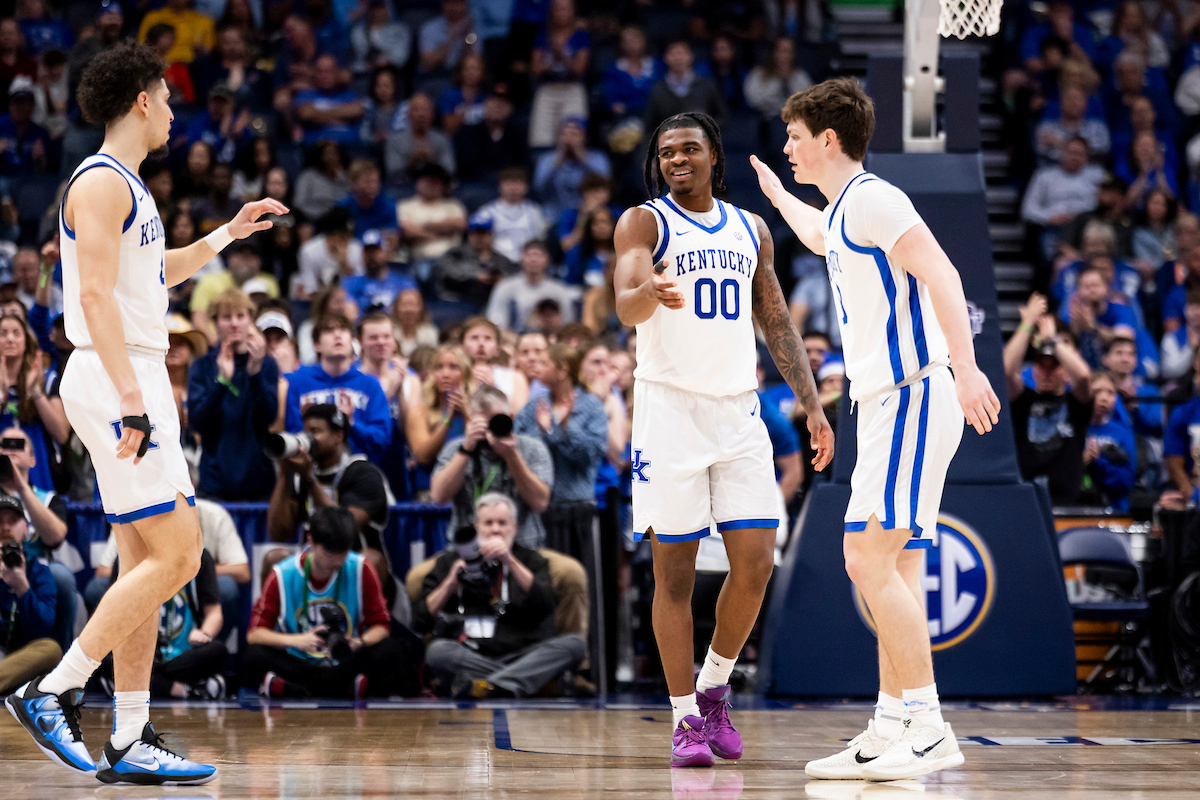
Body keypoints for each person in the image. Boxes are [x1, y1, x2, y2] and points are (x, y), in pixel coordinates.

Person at [6, 40, 285, 786]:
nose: (171, 111)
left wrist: (229, 231)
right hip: (116, 372)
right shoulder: (99, 183)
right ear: (140, 99)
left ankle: (129, 735)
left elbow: (152, 275)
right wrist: (133, 397)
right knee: (182, 554)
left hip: (127, 368)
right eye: (166, 98)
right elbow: (93, 295)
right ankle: (54, 688)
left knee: (141, 561)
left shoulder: (130, 185)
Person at [754, 78, 1001, 779]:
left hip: (917, 395)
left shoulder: (875, 198)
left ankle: (927, 724)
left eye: (796, 137)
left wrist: (968, 366)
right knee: (893, 566)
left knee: (865, 560)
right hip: (883, 406)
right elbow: (814, 233)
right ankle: (890, 726)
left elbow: (945, 273)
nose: (789, 147)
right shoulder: (841, 213)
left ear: (828, 139)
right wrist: (776, 196)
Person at [613, 108, 830, 766]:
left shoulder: (751, 228)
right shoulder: (645, 222)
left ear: (714, 158)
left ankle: (713, 689)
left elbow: (775, 318)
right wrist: (649, 289)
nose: (676, 160)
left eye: (689, 150)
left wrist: (812, 407)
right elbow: (624, 305)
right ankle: (683, 721)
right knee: (674, 577)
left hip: (740, 411)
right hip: (669, 412)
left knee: (757, 562)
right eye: (666, 153)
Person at [415, 493, 585, 697]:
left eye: (502, 523)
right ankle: (517, 683)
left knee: (575, 645)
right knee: (437, 651)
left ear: (514, 528)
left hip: (526, 655)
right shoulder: (452, 562)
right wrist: (450, 583)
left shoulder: (532, 561)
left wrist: (510, 561)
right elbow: (420, 618)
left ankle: (488, 686)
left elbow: (548, 603)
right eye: (488, 523)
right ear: (476, 528)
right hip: (472, 655)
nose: (495, 529)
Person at [246, 505, 415, 699]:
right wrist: (296, 640)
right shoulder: (282, 574)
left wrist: (359, 642)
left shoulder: (361, 568)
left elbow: (381, 627)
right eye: (329, 553)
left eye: (342, 553)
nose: (337, 561)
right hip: (299, 660)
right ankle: (345, 688)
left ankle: (295, 689)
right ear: (311, 541)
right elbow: (255, 634)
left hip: (344, 661)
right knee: (254, 654)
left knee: (391, 649)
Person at [266, 403, 393, 590]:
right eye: (305, 431)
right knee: (274, 558)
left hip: (350, 560)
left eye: (315, 431)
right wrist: (284, 473)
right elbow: (278, 534)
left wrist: (309, 478)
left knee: (370, 559)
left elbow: (343, 528)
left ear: (338, 436)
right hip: (314, 561)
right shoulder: (300, 476)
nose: (307, 438)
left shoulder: (364, 473)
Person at [95, 547, 228, 699]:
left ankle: (132, 685)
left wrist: (204, 633)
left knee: (218, 651)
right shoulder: (128, 556)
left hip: (183, 654)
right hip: (142, 655)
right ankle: (186, 689)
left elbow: (214, 613)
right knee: (103, 655)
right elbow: (115, 614)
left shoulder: (200, 556)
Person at [187, 288, 280, 501]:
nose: (234, 323)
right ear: (215, 323)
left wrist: (255, 374)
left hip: (259, 483)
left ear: (250, 320)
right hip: (215, 484)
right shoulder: (202, 367)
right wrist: (221, 382)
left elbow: (268, 417)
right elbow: (197, 422)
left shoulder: (266, 364)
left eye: (241, 316)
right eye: (226, 317)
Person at [431, 385, 552, 548]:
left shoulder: (532, 448)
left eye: (495, 420)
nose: (489, 429)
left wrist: (512, 455)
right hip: (467, 549)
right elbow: (438, 497)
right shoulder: (456, 449)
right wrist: (466, 450)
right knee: (418, 574)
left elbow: (540, 502)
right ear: (470, 420)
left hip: (523, 546)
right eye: (482, 422)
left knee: (569, 571)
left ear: (510, 417)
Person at [1004, 296, 1094, 503]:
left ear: (1064, 370)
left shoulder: (1076, 403)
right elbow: (1007, 370)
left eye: (1053, 366)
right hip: (1026, 500)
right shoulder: (1024, 400)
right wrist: (1027, 323)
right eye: (1040, 365)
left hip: (1067, 503)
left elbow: (1082, 376)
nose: (1046, 372)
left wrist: (1052, 340)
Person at [285, 314, 392, 466]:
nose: (337, 335)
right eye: (329, 331)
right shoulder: (298, 382)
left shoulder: (370, 385)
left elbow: (382, 440)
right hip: (311, 470)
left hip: (359, 470)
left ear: (352, 341)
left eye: (343, 330)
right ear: (316, 345)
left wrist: (352, 424)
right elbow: (291, 437)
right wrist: (306, 425)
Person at [0, 493, 61, 695]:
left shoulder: (39, 572)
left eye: (13, 521)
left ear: (26, 528)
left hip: (21, 659)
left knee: (51, 650)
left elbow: (42, 630)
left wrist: (22, 588)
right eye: (0, 521)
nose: (6, 527)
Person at [486, 240, 580, 331]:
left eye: (538, 255)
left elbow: (568, 326)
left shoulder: (559, 291)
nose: (533, 260)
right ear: (521, 258)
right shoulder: (504, 288)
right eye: (529, 255)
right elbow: (496, 326)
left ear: (547, 259)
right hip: (513, 341)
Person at [432, 215, 518, 308]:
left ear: (491, 235)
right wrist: (477, 275)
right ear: (469, 235)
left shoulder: (501, 259)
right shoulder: (456, 254)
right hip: (460, 301)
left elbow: (512, 278)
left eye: (483, 233)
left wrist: (500, 280)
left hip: (492, 303)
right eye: (475, 233)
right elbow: (448, 271)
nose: (479, 237)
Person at [643, 41, 726, 134]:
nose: (678, 58)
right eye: (673, 54)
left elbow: (721, 115)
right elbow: (650, 124)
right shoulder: (657, 89)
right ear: (665, 58)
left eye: (681, 53)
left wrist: (707, 130)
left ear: (691, 56)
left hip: (701, 141)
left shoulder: (706, 85)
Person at [1082, 371, 1136, 511]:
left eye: (1110, 393)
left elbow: (1126, 480)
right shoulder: (1074, 428)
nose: (1104, 398)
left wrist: (1099, 461)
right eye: (1097, 391)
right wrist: (1082, 463)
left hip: (1113, 506)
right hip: (1077, 504)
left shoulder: (1123, 433)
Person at [474, 168, 548, 262]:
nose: (513, 188)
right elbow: (479, 243)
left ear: (526, 187)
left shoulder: (534, 212)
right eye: (509, 183)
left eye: (518, 183)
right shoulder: (486, 212)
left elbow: (540, 240)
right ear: (499, 186)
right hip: (497, 263)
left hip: (526, 263)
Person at [341, 230, 417, 315]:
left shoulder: (404, 283)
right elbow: (349, 312)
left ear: (385, 253)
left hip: (395, 326)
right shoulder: (350, 283)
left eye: (376, 250)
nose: (371, 256)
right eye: (367, 251)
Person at [461, 316, 529, 411]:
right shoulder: (456, 375)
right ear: (462, 345)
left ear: (497, 348)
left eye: (488, 338)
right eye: (474, 338)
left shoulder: (515, 377)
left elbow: (520, 417)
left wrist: (492, 390)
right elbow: (445, 417)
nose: (481, 343)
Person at [336, 160, 396, 240]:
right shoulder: (341, 210)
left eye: (376, 181)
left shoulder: (389, 206)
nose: (373, 186)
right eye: (368, 182)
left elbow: (392, 238)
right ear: (354, 184)